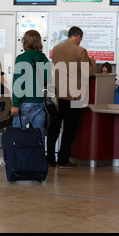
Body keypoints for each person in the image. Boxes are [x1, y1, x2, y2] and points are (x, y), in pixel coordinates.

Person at [0, 30, 49, 167]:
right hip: (39, 104)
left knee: (16, 135)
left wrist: (15, 103)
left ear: (25, 42)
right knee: (39, 135)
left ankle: (13, 161)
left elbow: (18, 83)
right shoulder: (44, 59)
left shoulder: (21, 58)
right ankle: (38, 162)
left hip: (24, 104)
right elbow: (47, 80)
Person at [47, 26, 95, 168]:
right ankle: (62, 160)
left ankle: (49, 159)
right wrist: (92, 63)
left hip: (56, 94)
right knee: (69, 129)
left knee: (54, 127)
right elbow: (87, 72)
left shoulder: (55, 49)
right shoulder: (80, 51)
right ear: (79, 37)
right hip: (73, 96)